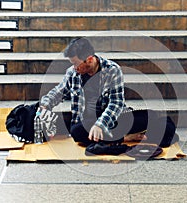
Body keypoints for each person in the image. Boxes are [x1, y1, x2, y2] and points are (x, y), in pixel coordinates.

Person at [39, 37, 178, 147]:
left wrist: (101, 124)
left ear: (89, 59)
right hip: (86, 123)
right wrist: (44, 105)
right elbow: (58, 92)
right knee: (76, 132)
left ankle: (111, 136)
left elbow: (116, 103)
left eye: (76, 63)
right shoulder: (72, 73)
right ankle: (124, 138)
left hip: (113, 119)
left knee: (154, 118)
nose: (74, 67)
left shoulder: (112, 70)